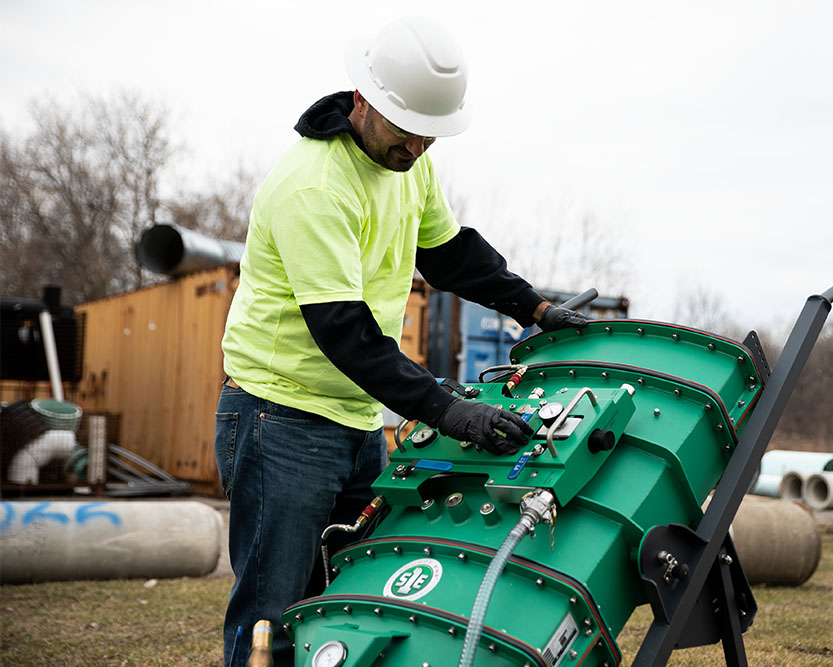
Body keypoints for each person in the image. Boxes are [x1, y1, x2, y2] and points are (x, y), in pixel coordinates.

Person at [214, 15, 587, 667]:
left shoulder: (409, 165)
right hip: (282, 420)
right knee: (271, 615)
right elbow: (346, 333)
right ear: (363, 101)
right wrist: (447, 409)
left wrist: (532, 305)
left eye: (429, 136)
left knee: (356, 599)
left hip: (356, 423)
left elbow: (448, 255)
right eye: (406, 130)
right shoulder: (314, 185)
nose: (416, 148)